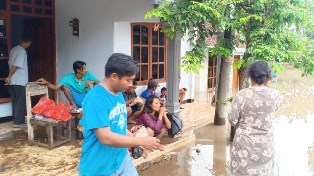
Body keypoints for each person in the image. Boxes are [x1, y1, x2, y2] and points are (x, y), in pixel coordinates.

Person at [78, 53, 161, 176]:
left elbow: (119, 125)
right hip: (99, 168)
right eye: (128, 80)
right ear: (114, 76)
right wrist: (141, 141)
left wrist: (135, 141)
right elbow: (105, 137)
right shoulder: (95, 98)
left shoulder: (119, 93)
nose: (131, 84)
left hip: (122, 159)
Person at [228, 60, 281, 176]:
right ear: (268, 77)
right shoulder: (275, 95)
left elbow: (232, 120)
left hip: (244, 146)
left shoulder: (241, 95)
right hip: (265, 146)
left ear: (250, 76)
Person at [5, 34, 32, 128]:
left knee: (16, 101)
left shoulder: (13, 49)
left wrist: (9, 77)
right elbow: (16, 65)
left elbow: (10, 63)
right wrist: (9, 76)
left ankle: (15, 120)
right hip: (19, 80)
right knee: (20, 101)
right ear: (28, 42)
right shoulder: (22, 51)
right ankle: (19, 122)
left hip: (13, 80)